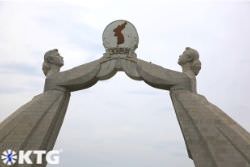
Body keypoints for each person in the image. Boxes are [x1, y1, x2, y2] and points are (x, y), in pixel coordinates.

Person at [137, 47, 250, 167]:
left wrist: (135, 61)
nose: (180, 55)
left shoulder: (184, 78)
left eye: (183, 54)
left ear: (189, 58)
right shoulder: (188, 77)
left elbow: (158, 74)